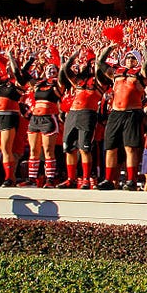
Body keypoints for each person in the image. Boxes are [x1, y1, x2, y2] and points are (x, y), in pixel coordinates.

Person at [96, 45, 147, 190]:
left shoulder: (140, 74)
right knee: (110, 147)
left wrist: (145, 50)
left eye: (133, 58)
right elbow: (100, 63)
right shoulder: (117, 73)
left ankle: (131, 179)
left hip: (131, 113)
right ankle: (108, 179)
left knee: (130, 147)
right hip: (115, 112)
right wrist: (109, 48)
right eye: (128, 57)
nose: (129, 60)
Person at [59, 48, 103, 188]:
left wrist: (97, 61)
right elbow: (66, 69)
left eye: (92, 63)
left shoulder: (100, 81)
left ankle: (85, 178)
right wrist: (73, 56)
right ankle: (71, 178)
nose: (90, 65)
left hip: (87, 114)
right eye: (88, 63)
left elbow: (101, 70)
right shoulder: (79, 80)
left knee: (85, 148)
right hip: (72, 113)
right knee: (69, 148)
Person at [0, 50, 25, 186]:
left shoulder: (19, 81)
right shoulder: (1, 81)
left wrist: (11, 57)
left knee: (7, 148)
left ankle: (9, 177)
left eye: (10, 66)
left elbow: (17, 73)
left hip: (9, 115)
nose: (7, 67)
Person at [26, 61, 64, 187]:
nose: (51, 70)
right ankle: (32, 179)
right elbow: (22, 75)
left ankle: (50, 179)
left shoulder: (57, 84)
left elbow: (64, 72)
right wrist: (30, 61)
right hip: (35, 118)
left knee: (48, 150)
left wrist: (62, 59)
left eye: (53, 68)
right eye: (48, 68)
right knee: (33, 149)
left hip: (49, 118)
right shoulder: (38, 84)